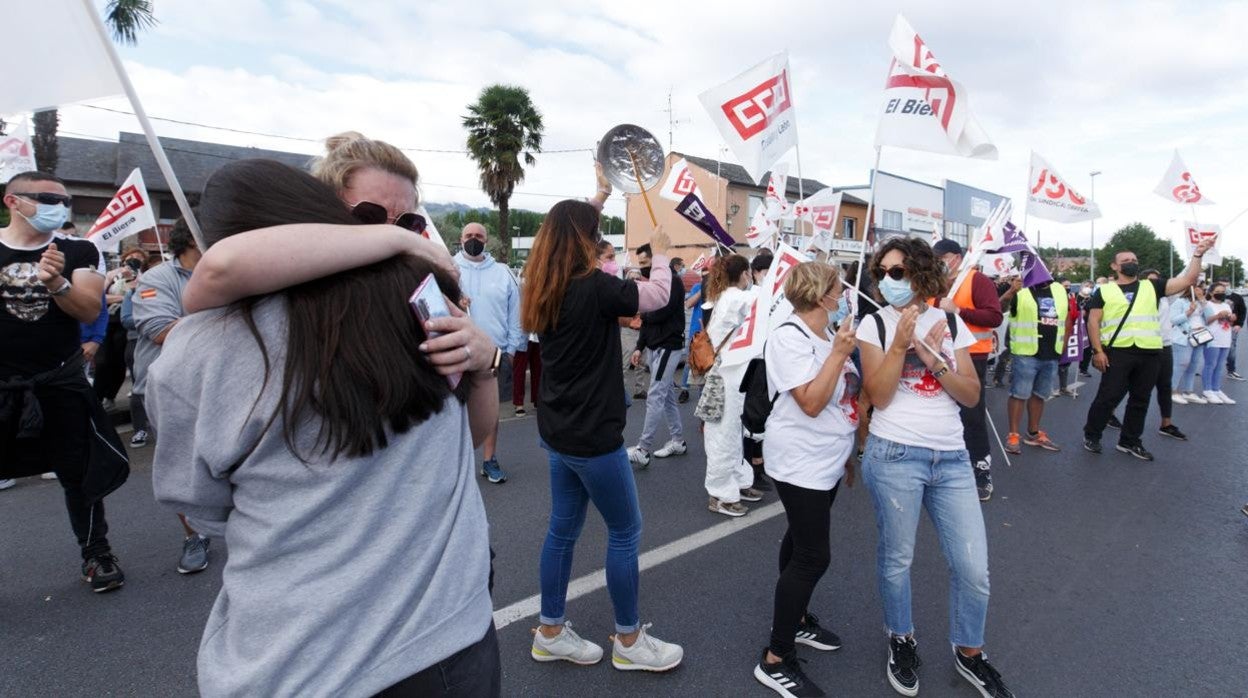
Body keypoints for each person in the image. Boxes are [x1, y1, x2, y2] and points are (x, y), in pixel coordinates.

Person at [149, 159, 501, 697]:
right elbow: (469, 437)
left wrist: (486, 360)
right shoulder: (419, 300)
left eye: (405, 223)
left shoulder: (193, 351)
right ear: (321, 212)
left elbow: (203, 505)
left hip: (295, 661)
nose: (389, 229)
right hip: (451, 641)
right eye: (369, 217)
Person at [522, 199, 683, 673]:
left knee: (563, 530)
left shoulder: (542, 285)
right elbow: (654, 296)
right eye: (594, 231)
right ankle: (630, 640)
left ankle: (550, 630)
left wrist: (595, 199)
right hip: (593, 436)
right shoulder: (594, 288)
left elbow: (571, 224)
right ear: (586, 240)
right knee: (625, 531)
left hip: (558, 430)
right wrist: (661, 251)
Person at [856, 236, 1013, 698]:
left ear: (921, 273)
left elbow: (970, 395)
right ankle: (901, 639)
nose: (889, 281)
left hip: (951, 459)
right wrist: (901, 345)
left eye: (898, 272)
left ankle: (970, 653)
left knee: (973, 567)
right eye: (882, 272)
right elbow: (879, 396)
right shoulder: (873, 325)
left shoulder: (949, 322)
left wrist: (932, 358)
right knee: (897, 560)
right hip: (894, 456)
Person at [0, 171, 129, 592]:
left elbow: (90, 310)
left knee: (79, 473)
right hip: (3, 388)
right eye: (46, 198)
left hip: (59, 382)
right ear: (12, 201)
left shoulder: (79, 249)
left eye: (66, 200)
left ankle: (96, 553)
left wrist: (56, 282)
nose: (60, 206)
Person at [753, 262, 858, 698]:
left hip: (827, 458)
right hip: (800, 461)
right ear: (821, 297)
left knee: (799, 540)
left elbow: (840, 400)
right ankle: (776, 658)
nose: (845, 296)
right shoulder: (788, 337)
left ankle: (795, 622)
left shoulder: (823, 336)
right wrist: (837, 354)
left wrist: (850, 451)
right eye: (839, 289)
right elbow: (811, 402)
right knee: (814, 556)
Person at [128, 219, 219, 574]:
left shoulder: (230, 274)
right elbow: (160, 329)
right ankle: (194, 535)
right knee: (184, 470)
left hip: (217, 383)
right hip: (171, 390)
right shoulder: (157, 279)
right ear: (194, 238)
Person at [1083, 243, 1211, 460]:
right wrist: (1097, 351)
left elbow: (1189, 280)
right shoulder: (1104, 291)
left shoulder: (1152, 286)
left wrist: (1198, 254)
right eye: (1125, 261)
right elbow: (1093, 322)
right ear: (1114, 266)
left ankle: (1130, 441)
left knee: (1140, 399)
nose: (1131, 263)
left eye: (1134, 260)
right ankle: (1092, 435)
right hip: (1118, 352)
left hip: (1150, 352)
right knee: (1108, 397)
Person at [932, 239, 1004, 501]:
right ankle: (942, 465)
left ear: (957, 257)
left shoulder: (977, 280)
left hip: (971, 355)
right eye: (935, 257)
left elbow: (994, 317)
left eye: (943, 257)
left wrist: (960, 311)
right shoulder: (932, 282)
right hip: (935, 354)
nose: (939, 261)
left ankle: (980, 469)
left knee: (971, 413)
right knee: (938, 409)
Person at [456, 222, 524, 483]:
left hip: (494, 354)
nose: (474, 239)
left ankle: (489, 460)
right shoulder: (447, 268)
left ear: (487, 240)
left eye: (479, 236)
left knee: (490, 412)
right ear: (461, 239)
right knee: (456, 413)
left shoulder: (503, 272)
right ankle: (458, 466)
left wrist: (510, 351)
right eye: (469, 235)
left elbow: (514, 312)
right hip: (457, 353)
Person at [702, 254, 761, 517]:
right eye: (749, 273)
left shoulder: (727, 297)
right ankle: (720, 494)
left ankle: (737, 482)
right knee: (723, 436)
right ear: (744, 274)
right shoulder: (735, 297)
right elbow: (763, 303)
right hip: (725, 378)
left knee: (733, 433)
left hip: (732, 377)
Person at [1107, 270, 1187, 439]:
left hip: (1163, 346)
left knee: (1165, 386)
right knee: (1127, 385)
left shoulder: (1166, 298)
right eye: (1150, 281)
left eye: (1157, 281)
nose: (1154, 285)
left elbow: (1183, 278)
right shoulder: (1136, 297)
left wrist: (1197, 256)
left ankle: (1166, 423)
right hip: (1142, 346)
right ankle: (1109, 413)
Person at [999, 276, 1072, 457]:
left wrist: (1064, 344)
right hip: (1025, 352)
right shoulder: (1020, 289)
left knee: (1040, 394)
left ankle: (1033, 433)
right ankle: (1013, 436)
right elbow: (997, 310)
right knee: (1019, 394)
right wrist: (1010, 292)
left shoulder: (1059, 289)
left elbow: (1067, 317)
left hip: (1051, 352)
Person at [627, 255, 687, 466]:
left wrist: (644, 312)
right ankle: (678, 440)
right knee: (667, 395)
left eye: (645, 263)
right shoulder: (653, 283)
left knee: (655, 396)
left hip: (668, 346)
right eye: (640, 263)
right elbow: (646, 319)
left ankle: (643, 449)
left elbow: (662, 312)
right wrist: (639, 347)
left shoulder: (673, 281)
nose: (643, 268)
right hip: (654, 347)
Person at [1171, 286, 1209, 405]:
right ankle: (1172, 390)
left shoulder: (1201, 303)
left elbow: (1209, 317)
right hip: (1184, 337)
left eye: (1201, 288)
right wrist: (1189, 312)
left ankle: (1188, 391)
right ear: (1190, 289)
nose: (1200, 290)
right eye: (1197, 288)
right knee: (1181, 364)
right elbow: (1173, 320)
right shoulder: (1179, 302)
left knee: (1193, 365)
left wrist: (1203, 301)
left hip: (1199, 336)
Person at [1200, 282, 1237, 404]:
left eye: (1223, 291)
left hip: (1225, 338)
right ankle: (1207, 390)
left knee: (1220, 366)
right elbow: (1206, 321)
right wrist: (1217, 316)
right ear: (1211, 292)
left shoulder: (1226, 305)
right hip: (1212, 339)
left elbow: (1230, 322)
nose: (1221, 293)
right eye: (1218, 291)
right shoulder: (1207, 305)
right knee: (1210, 365)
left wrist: (1231, 318)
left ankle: (1216, 389)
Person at [512, 330, 540, 417]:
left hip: (538, 334)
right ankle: (519, 403)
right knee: (519, 371)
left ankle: (538, 400)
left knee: (539, 370)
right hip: (521, 334)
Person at [1226, 286, 1245, 380]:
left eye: (1226, 285)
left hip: (1232, 327)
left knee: (1231, 349)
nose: (1224, 287)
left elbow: (1243, 311)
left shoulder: (1237, 297)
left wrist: (1239, 324)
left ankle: (1231, 370)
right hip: (1215, 328)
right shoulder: (1211, 296)